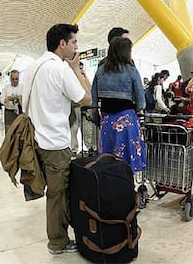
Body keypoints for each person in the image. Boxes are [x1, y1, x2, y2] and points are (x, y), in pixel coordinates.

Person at [21, 23, 91, 254]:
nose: (76, 48)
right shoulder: (59, 69)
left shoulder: (32, 67)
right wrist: (75, 70)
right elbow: (85, 99)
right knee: (57, 195)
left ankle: (60, 236)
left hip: (35, 141)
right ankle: (57, 242)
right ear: (62, 44)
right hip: (55, 143)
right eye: (74, 43)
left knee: (54, 192)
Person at [91, 37, 146, 174]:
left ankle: (110, 190)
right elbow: (141, 103)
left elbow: (93, 101)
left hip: (107, 122)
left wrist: (97, 118)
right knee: (127, 162)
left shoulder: (100, 71)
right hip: (127, 122)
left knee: (107, 160)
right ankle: (127, 190)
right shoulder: (132, 71)